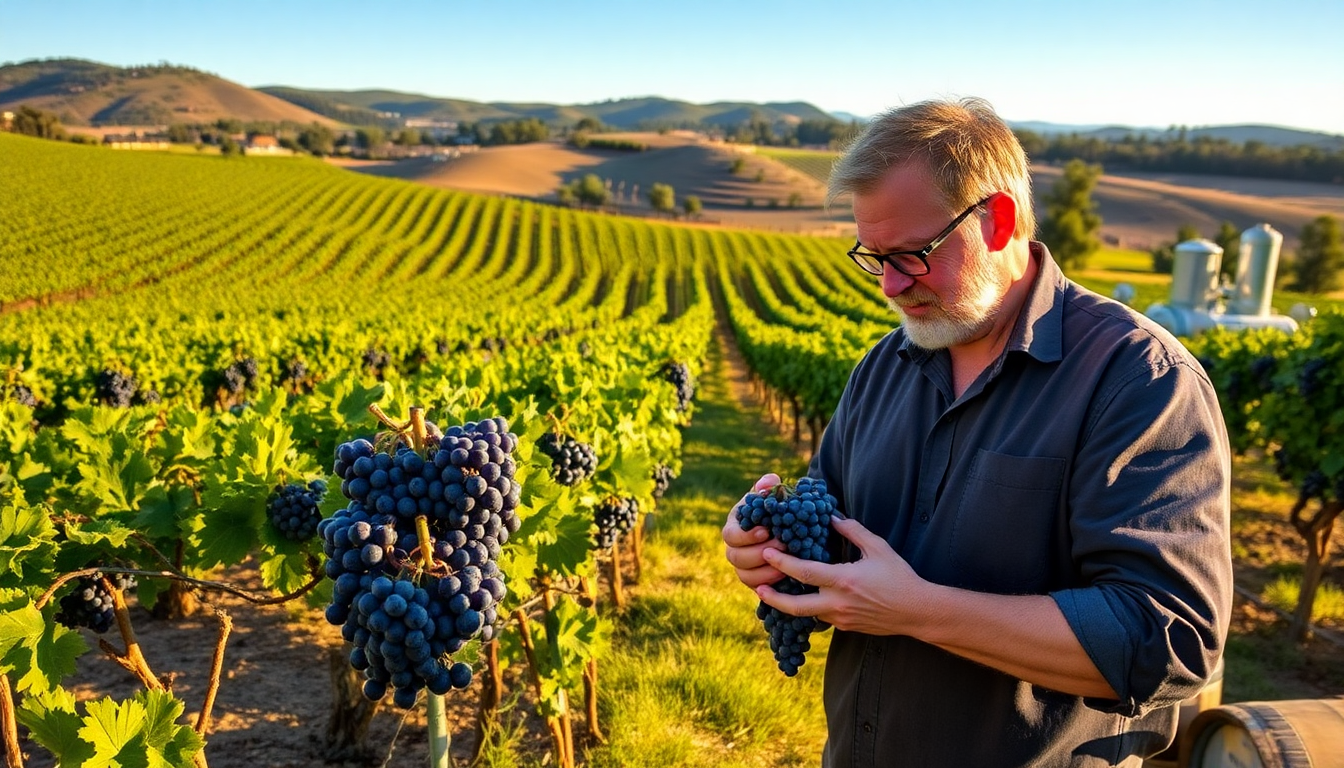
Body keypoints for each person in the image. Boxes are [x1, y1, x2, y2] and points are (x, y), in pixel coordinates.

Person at [722, 98, 1232, 767]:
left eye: (911, 254)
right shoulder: (884, 366)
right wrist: (771, 547)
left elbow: (1167, 642)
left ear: (999, 221)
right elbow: (836, 535)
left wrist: (919, 609)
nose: (890, 286)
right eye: (872, 258)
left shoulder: (1138, 382)